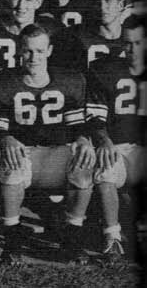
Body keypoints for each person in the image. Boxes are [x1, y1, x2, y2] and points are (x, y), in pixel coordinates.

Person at [0, 24, 94, 266]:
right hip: (23, 152)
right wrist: (6, 138)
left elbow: (78, 126)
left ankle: (72, 237)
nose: (33, 57)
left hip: (56, 153)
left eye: (39, 51)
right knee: (11, 163)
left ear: (49, 50)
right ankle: (12, 240)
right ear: (19, 51)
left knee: (83, 162)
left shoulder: (69, 80)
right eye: (28, 51)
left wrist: (82, 140)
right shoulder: (5, 81)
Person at [85, 15, 145, 264]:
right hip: (117, 147)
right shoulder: (105, 70)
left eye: (140, 43)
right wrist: (103, 141)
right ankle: (113, 239)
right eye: (128, 44)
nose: (133, 50)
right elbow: (96, 120)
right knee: (104, 169)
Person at [52, 0, 127, 69]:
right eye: (97, 2)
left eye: (108, 1)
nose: (102, 7)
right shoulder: (75, 36)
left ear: (121, 5)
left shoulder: (133, 37)